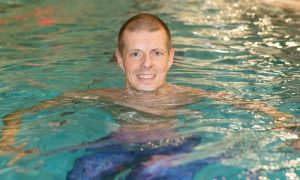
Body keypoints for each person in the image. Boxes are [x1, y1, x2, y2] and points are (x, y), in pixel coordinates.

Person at [1, 13, 294, 178]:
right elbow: (23, 112)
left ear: (170, 58)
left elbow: (253, 106)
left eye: (156, 53)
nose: (146, 65)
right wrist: (8, 140)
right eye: (136, 54)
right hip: (116, 145)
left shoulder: (186, 96)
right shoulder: (104, 96)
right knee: (84, 173)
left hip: (172, 150)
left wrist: (286, 126)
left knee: (153, 172)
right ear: (120, 59)